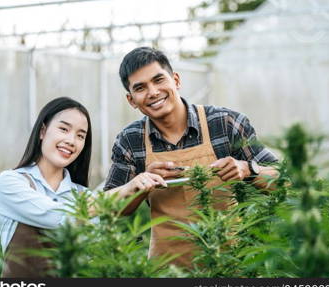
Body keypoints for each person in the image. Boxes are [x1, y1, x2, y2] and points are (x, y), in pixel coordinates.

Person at [103, 47, 279, 267]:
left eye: (158, 80)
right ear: (131, 100)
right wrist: (140, 186)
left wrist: (248, 169)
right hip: (167, 271)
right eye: (141, 88)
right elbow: (111, 209)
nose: (153, 92)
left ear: (176, 80)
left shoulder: (225, 123)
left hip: (232, 265)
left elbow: (283, 180)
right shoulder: (130, 140)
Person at [0, 97, 92, 277]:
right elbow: (58, 217)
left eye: (80, 136)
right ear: (42, 131)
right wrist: (119, 194)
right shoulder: (11, 181)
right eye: (64, 129)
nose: (71, 140)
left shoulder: (85, 196)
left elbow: (94, 257)